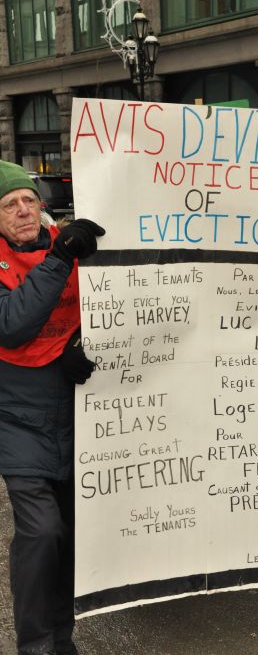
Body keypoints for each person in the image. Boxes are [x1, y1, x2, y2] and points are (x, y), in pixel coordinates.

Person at [0, 160, 105, 655]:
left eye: (28, 199)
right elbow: (13, 325)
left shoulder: (71, 244)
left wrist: (76, 348)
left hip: (74, 416)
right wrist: (60, 257)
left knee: (69, 539)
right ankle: (36, 646)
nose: (23, 210)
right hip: (16, 419)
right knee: (42, 534)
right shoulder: (63, 253)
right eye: (8, 205)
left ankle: (62, 639)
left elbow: (105, 310)